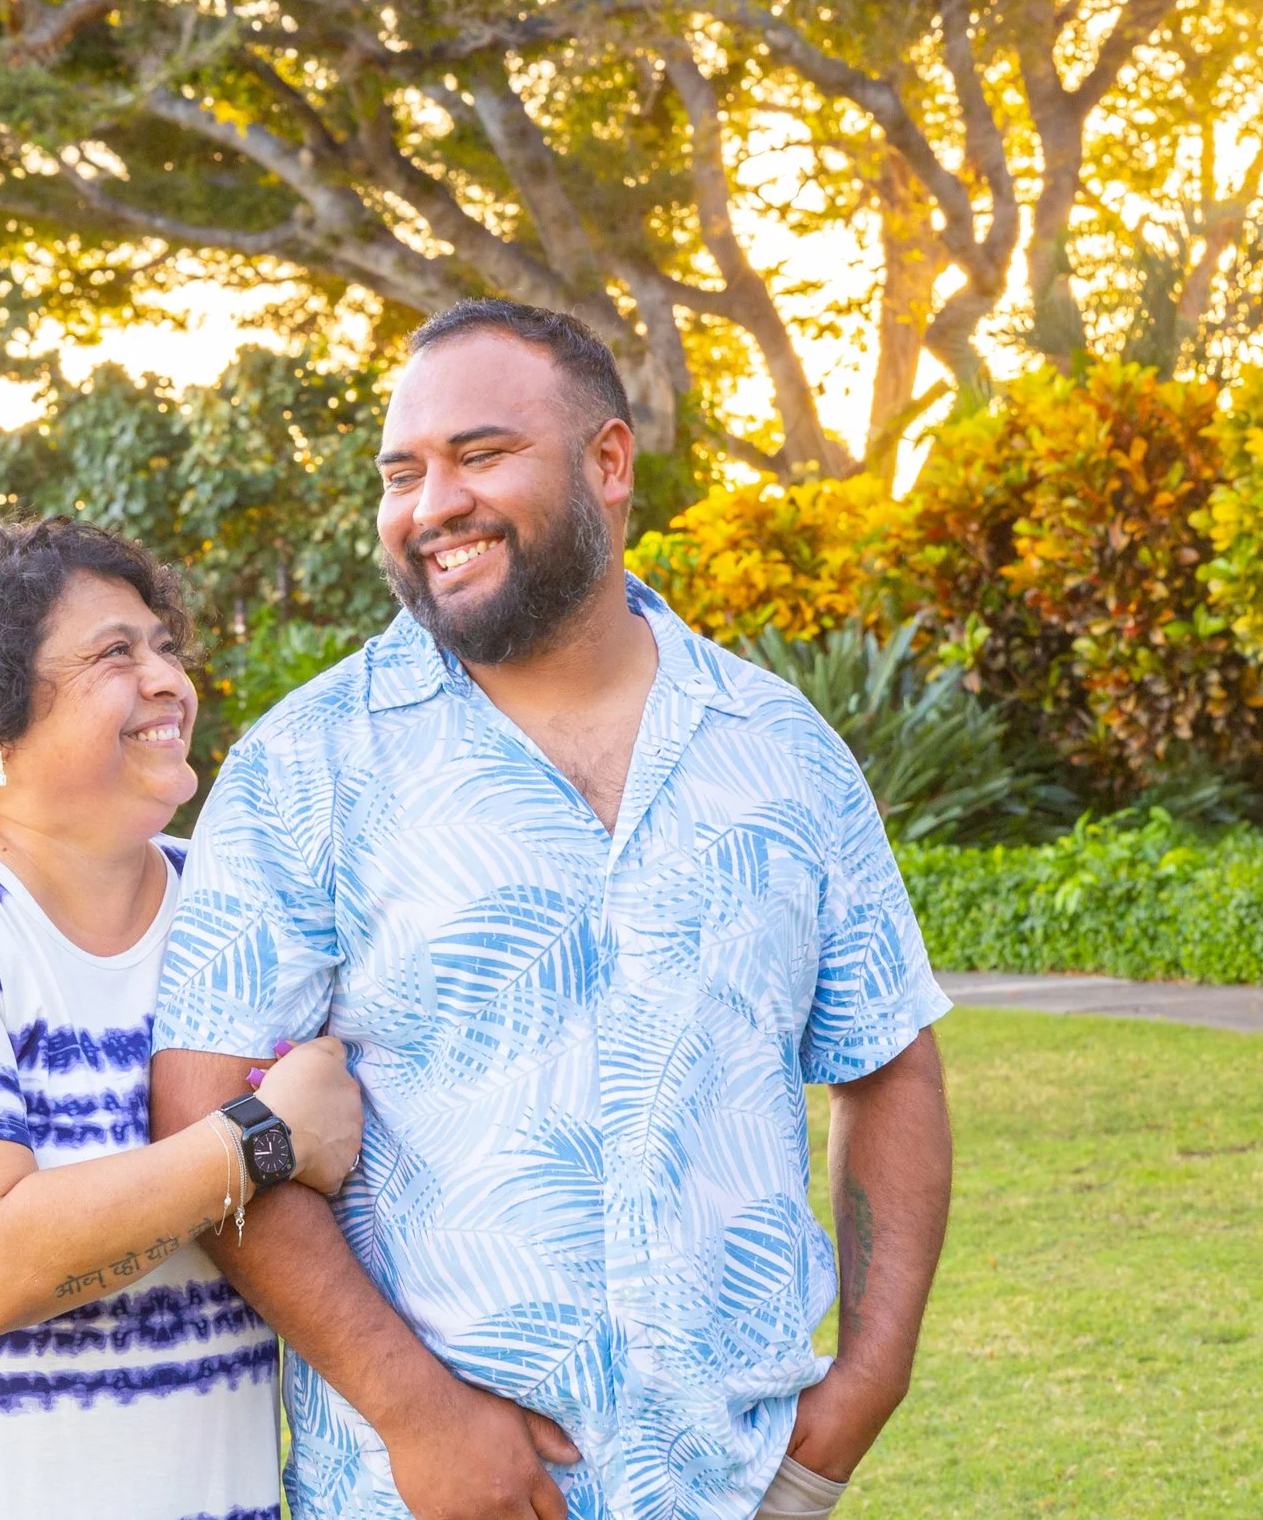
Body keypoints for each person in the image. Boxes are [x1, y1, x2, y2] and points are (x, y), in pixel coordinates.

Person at [151, 300, 954, 1520]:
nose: (432, 505)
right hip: (421, 1493)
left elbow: (885, 1059)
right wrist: (416, 1408)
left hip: (738, 1488)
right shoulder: (306, 765)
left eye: (480, 454)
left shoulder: (781, 751)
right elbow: (202, 1117)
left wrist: (864, 1386)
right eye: (402, 472)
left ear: (610, 462)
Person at [0, 518, 363, 1520]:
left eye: (164, 645)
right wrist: (265, 1139)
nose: (168, 679)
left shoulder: (232, 909)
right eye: (113, 654)